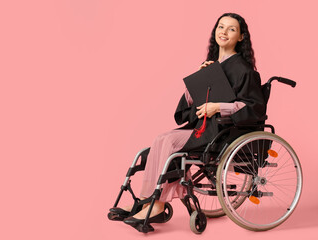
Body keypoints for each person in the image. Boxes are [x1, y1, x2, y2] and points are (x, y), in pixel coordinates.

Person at [110, 12, 266, 229]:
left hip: (224, 133)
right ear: (215, 32)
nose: (224, 32)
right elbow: (189, 106)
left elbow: (253, 108)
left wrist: (217, 107)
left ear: (241, 37)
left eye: (231, 29)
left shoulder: (244, 71)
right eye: (221, 27)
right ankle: (147, 201)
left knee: (169, 143)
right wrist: (197, 80)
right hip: (206, 128)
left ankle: (156, 205)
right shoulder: (211, 66)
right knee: (162, 139)